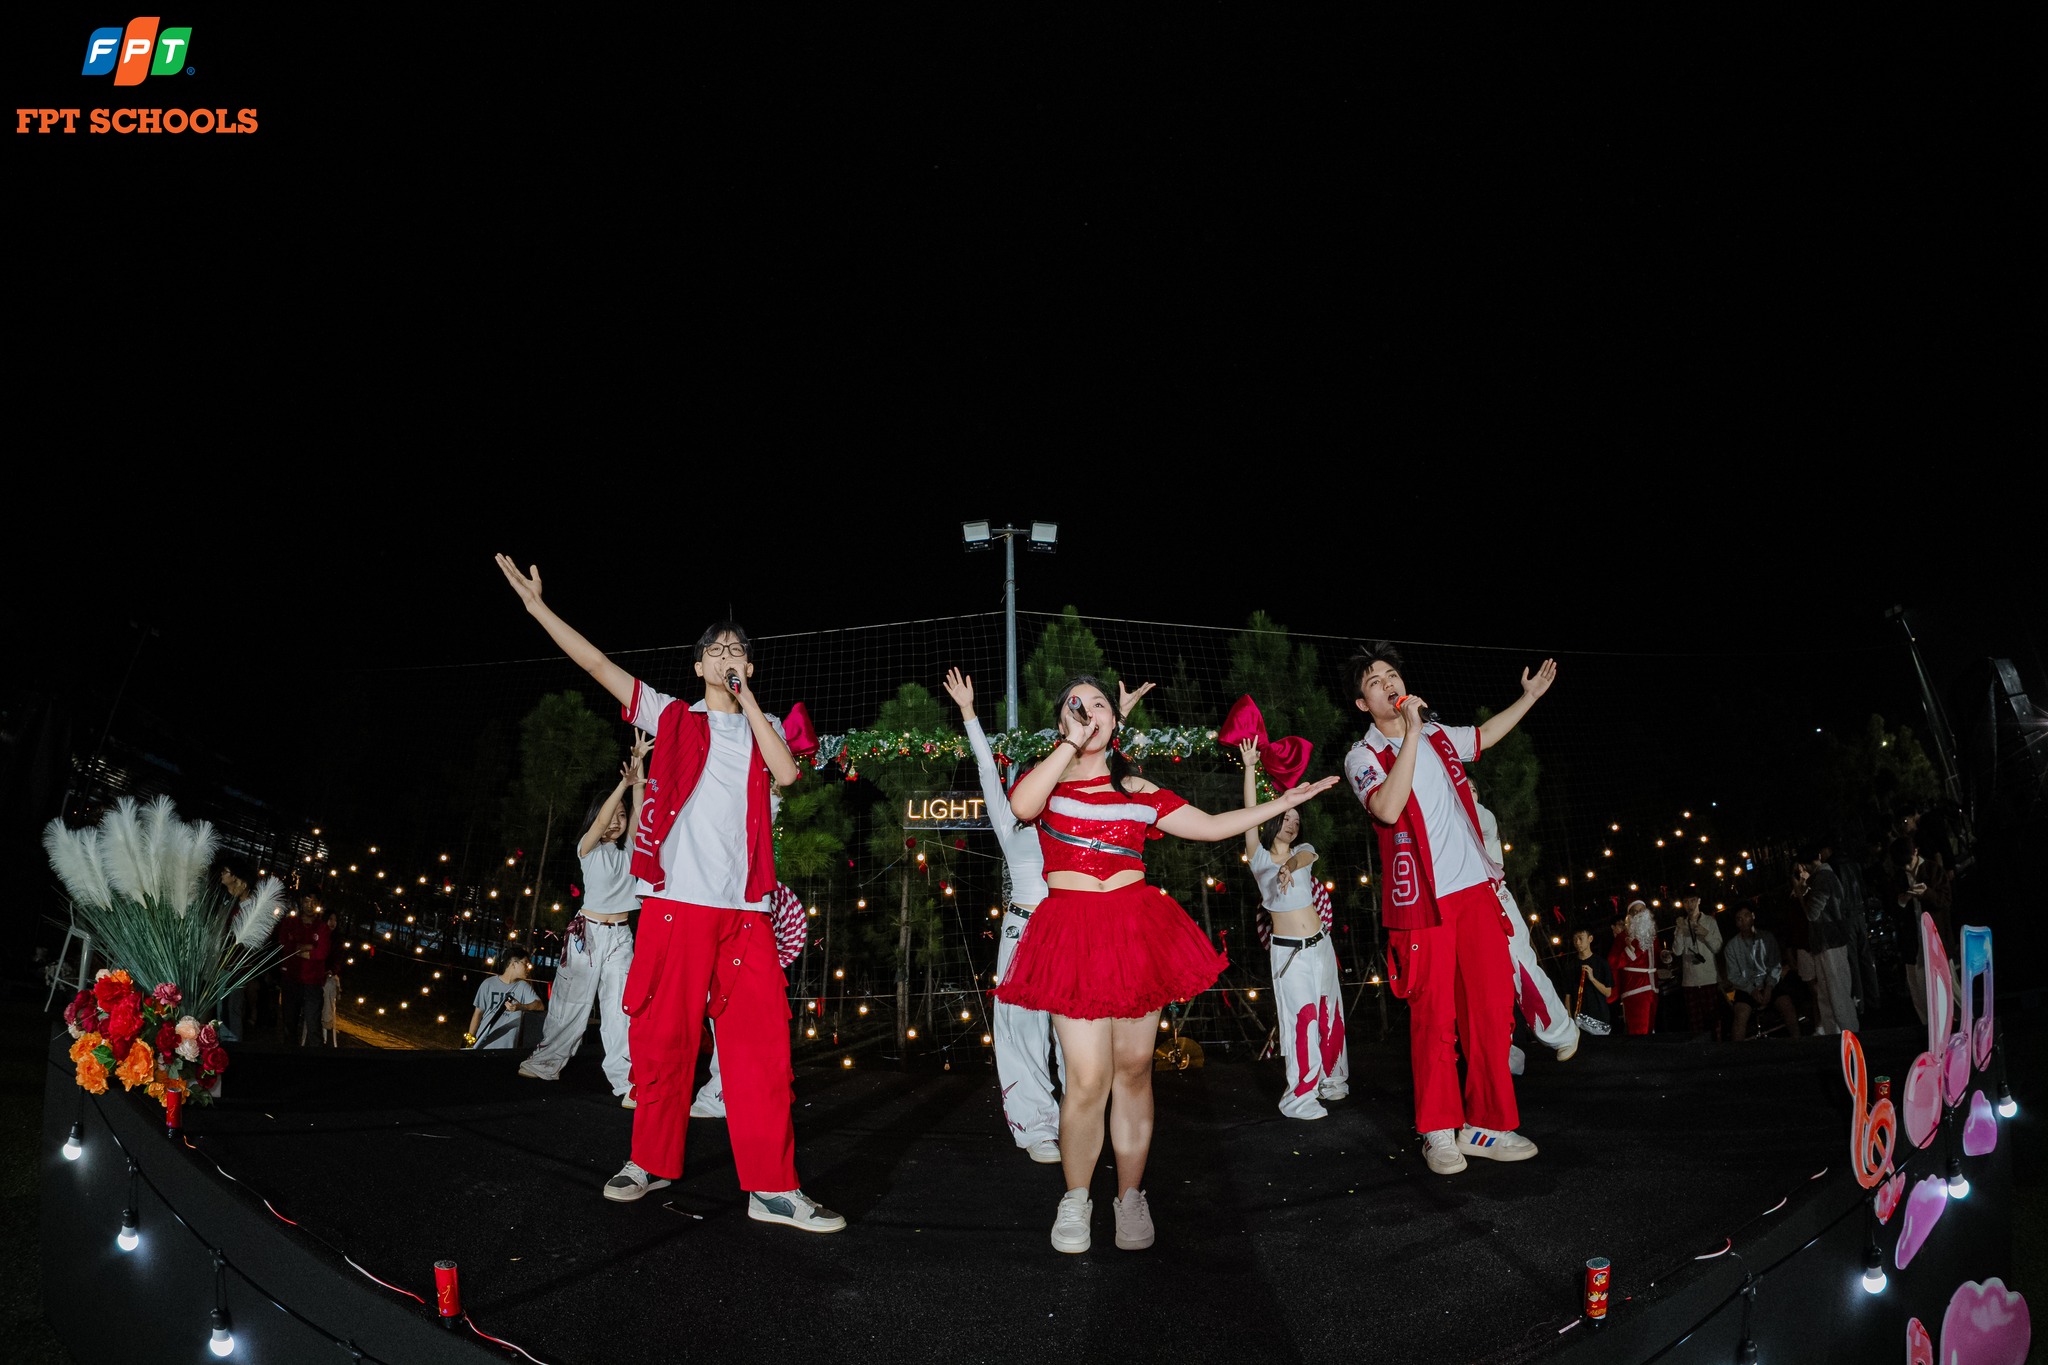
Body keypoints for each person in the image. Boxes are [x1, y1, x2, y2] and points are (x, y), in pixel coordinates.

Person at [496, 555, 842, 1233]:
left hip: (746, 915)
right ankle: (648, 1161)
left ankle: (773, 1188)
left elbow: (788, 775)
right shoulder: (674, 716)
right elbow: (599, 665)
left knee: (762, 1053)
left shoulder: (763, 724)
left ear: (750, 666)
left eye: (737, 649)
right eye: (716, 649)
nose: (727, 654)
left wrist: (748, 701)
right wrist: (538, 609)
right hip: (677, 908)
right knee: (663, 1042)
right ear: (697, 665)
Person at [996, 675, 1338, 1254]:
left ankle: (1130, 1196)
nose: (1090, 711)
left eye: (1101, 704)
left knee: (1133, 1069)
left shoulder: (1136, 787)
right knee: (1086, 1077)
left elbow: (1208, 827)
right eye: (1078, 705)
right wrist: (1072, 741)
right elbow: (1021, 806)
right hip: (1072, 935)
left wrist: (1281, 803)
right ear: (1062, 721)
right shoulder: (1046, 780)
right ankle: (1076, 1198)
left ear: (1115, 721)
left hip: (1134, 929)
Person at [1342, 642, 1558, 1176]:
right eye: (1375, 682)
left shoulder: (1438, 734)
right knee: (1435, 1018)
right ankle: (1438, 1130)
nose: (1389, 684)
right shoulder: (1363, 756)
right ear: (1363, 703)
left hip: (1476, 892)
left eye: (1392, 674)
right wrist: (1412, 734)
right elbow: (1388, 808)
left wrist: (1528, 698)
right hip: (1422, 904)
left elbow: (1483, 736)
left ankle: (1487, 1127)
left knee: (1491, 1012)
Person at [942, 666, 1141, 1161]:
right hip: (1023, 926)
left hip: (1071, 929)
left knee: (1079, 1026)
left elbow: (1105, 768)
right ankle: (1036, 1127)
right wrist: (968, 713)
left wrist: (1117, 717)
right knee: (1021, 1027)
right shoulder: (1011, 816)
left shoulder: (1075, 808)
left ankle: (1081, 1119)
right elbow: (986, 768)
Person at [520, 735, 651, 1106]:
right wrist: (621, 786)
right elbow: (604, 819)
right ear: (597, 817)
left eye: (621, 817)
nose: (616, 822)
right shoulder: (587, 848)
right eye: (610, 816)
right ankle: (546, 1063)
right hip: (586, 936)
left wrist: (637, 770)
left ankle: (627, 1083)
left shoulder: (632, 849)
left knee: (619, 1010)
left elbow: (640, 807)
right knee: (571, 1004)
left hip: (620, 936)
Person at [1240, 738, 1349, 1120]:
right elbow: (1248, 814)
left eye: (1296, 819)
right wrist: (1250, 768)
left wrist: (1289, 866)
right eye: (1286, 818)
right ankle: (1299, 1097)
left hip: (1321, 945)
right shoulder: (1258, 858)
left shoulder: (1303, 851)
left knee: (1330, 1011)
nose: (1292, 823)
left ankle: (1331, 1079)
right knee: (1303, 1018)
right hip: (1290, 953)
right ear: (1273, 820)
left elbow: (1305, 855)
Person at [1472, 788, 1578, 1071]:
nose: (1466, 792)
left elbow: (1474, 817)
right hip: (1466, 906)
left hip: (1495, 897)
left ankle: (1561, 1032)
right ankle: (1505, 1052)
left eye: (1472, 789)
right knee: (1484, 982)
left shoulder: (1483, 817)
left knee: (1521, 968)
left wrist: (1453, 796)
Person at [1794, 843, 1859, 1034]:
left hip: (1830, 942)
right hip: (1828, 942)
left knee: (1836, 993)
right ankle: (1838, 1034)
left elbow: (1812, 913)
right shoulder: (1825, 877)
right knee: (1828, 993)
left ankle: (1850, 1036)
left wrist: (1801, 894)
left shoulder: (1823, 879)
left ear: (1804, 865)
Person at [1723, 905, 1799, 1040]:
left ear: (1753, 916)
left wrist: (1769, 986)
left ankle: (1798, 1042)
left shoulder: (1767, 937)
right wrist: (1751, 990)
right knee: (1740, 1016)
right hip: (1746, 986)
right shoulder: (1731, 946)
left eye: (1746, 916)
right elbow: (1733, 975)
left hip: (1768, 981)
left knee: (1787, 1005)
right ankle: (1736, 1051)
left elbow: (1775, 965)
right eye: (1739, 919)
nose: (1743, 921)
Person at [1665, 896, 1724, 1038]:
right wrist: (1680, 930)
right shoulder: (1682, 924)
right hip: (1690, 981)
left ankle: (1717, 1047)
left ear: (1699, 901)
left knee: (1714, 1022)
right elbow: (1677, 951)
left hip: (1709, 979)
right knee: (1695, 1024)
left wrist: (1706, 933)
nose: (1689, 905)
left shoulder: (1709, 921)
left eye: (1692, 901)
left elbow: (1717, 947)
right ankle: (1700, 1049)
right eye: (1686, 901)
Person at [277, 897, 332, 1047]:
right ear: (301, 902)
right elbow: (286, 945)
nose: (310, 905)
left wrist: (301, 949)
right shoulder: (290, 923)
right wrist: (310, 947)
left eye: (314, 902)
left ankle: (315, 1056)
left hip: (312, 982)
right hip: (292, 979)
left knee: (313, 1025)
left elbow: (322, 952)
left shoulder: (322, 928)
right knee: (289, 1024)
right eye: (307, 901)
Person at [469, 946, 543, 1049]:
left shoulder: (523, 987)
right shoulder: (488, 984)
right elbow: (477, 1014)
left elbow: (540, 1005)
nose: (528, 967)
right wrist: (469, 1040)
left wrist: (521, 1006)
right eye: (525, 963)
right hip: (483, 1045)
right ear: (514, 963)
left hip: (507, 1048)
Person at [1613, 899, 1658, 1036]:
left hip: (1652, 988)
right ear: (1630, 916)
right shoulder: (1623, 937)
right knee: (1639, 1032)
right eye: (1635, 912)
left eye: (1641, 911)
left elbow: (1655, 958)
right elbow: (1613, 962)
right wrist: (1630, 950)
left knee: (1650, 1029)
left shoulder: (1651, 935)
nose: (1639, 914)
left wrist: (1663, 956)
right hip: (1635, 989)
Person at [1568, 929, 1614, 1035]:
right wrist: (1569, 1017)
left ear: (1590, 939)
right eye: (1575, 939)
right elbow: (1568, 994)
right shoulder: (1570, 966)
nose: (1577, 942)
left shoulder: (1602, 963)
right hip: (1579, 1017)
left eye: (1581, 938)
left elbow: (1608, 992)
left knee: (1601, 1044)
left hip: (1599, 1015)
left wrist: (1592, 978)